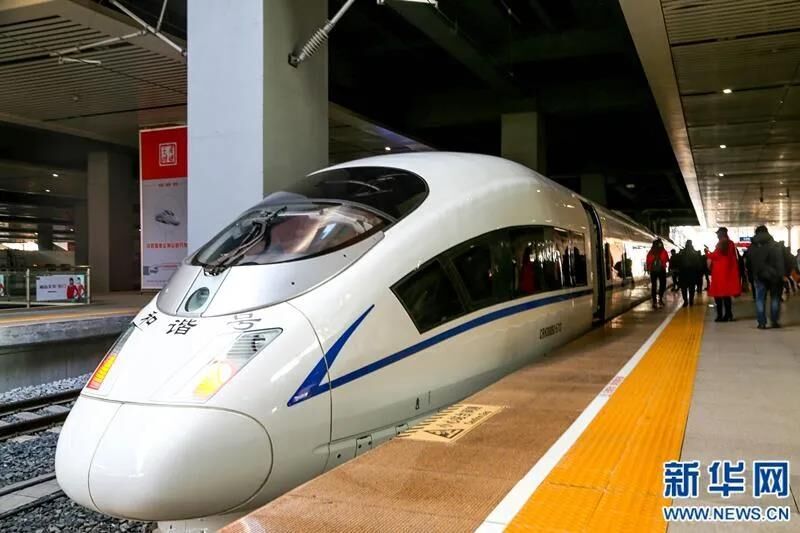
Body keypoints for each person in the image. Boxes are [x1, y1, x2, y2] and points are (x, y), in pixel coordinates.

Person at [746, 226, 784, 329]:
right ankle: (774, 321)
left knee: (760, 299)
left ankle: (762, 323)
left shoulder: (752, 247)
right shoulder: (775, 245)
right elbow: (780, 261)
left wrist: (751, 276)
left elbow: (748, 263)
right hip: (774, 276)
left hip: (759, 276)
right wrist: (781, 275)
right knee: (775, 298)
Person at [706, 227, 741, 322]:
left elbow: (716, 256)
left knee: (718, 296)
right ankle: (728, 314)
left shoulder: (721, 244)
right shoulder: (730, 244)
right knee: (726, 296)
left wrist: (707, 253)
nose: (717, 235)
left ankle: (720, 316)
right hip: (728, 273)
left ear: (720, 234)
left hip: (719, 274)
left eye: (718, 234)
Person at [677, 241, 701, 307]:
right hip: (692, 273)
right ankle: (691, 301)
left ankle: (685, 301)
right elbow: (698, 265)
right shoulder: (695, 253)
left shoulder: (682, 252)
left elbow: (678, 262)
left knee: (684, 288)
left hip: (683, 273)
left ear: (686, 244)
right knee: (691, 288)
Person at [645, 239, 669, 307]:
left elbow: (648, 261)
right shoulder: (663, 251)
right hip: (662, 270)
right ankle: (660, 299)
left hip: (653, 271)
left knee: (654, 286)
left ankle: (654, 301)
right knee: (662, 285)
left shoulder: (651, 252)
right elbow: (667, 259)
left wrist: (649, 268)